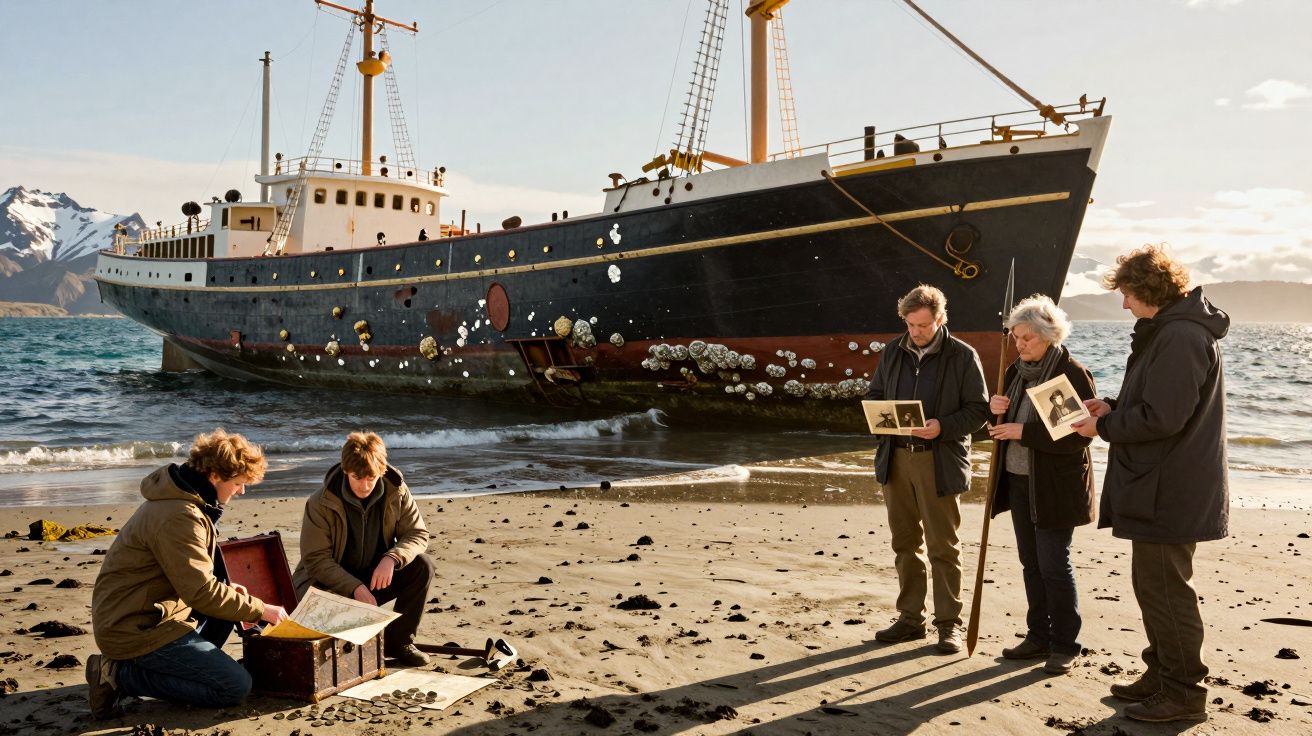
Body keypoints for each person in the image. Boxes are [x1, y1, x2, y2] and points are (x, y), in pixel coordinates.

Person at [1071, 245, 1229, 723]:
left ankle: (1183, 693)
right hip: (1164, 481)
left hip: (1172, 487)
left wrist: (1102, 429)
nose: (1122, 305)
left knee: (1166, 589)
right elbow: (1158, 400)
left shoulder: (1180, 335)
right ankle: (1162, 673)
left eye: (1125, 294)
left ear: (1146, 290)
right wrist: (1113, 406)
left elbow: (1164, 417)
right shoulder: (1173, 330)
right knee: (1153, 586)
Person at [87, 429, 288, 718]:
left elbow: (195, 580)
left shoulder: (189, 501)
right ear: (215, 475)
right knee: (234, 686)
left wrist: (233, 595)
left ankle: (167, 668)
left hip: (156, 614)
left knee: (224, 614)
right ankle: (116, 674)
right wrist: (261, 609)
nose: (242, 491)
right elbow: (201, 593)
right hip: (133, 628)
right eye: (238, 483)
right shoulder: (180, 515)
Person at [865, 284, 990, 653]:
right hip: (896, 458)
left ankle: (948, 625)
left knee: (943, 546)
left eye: (922, 325)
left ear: (939, 319)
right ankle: (909, 619)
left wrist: (941, 427)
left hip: (939, 460)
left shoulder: (963, 356)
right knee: (904, 543)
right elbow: (874, 396)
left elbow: (979, 411)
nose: (915, 332)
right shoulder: (892, 350)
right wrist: (882, 417)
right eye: (909, 324)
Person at [985, 295, 1095, 675]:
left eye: (1028, 338)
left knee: (1053, 564)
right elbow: (1000, 430)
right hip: (1017, 481)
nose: (1020, 345)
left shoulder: (1068, 374)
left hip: (1054, 486)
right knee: (1030, 563)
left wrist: (1022, 430)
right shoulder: (1016, 373)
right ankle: (1038, 636)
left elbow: (1077, 437)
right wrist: (995, 413)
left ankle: (1065, 644)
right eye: (1016, 338)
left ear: (1050, 335)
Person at [291, 432, 435, 666]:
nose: (365, 485)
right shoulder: (319, 502)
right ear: (346, 470)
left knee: (423, 566)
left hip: (375, 578)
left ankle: (399, 643)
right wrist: (354, 587)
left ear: (382, 471)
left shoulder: (397, 491)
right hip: (326, 586)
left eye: (371, 477)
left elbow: (417, 533)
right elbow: (316, 560)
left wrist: (392, 558)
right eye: (358, 477)